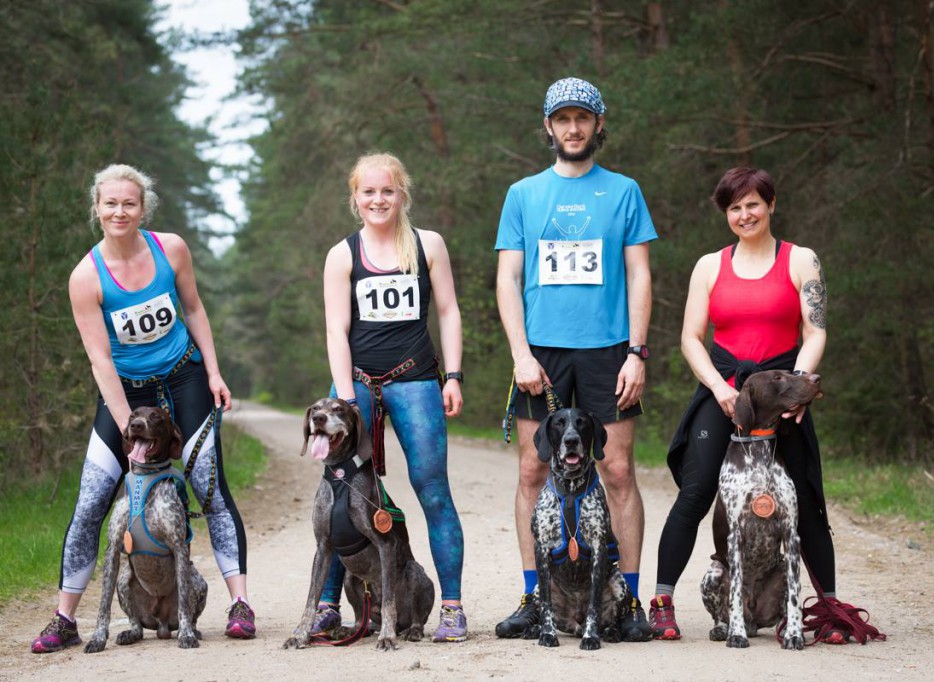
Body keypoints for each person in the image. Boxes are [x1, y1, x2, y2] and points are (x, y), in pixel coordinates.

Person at [32, 164, 254, 653]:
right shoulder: (85, 276)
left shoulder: (170, 248)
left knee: (210, 488)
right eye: (109, 203)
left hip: (183, 377)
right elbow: (99, 358)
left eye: (128, 203)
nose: (119, 211)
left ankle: (240, 605)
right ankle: (65, 617)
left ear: (142, 208)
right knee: (91, 501)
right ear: (97, 208)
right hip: (125, 394)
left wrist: (214, 372)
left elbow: (193, 309)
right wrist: (127, 430)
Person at [649, 166, 865, 643]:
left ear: (770, 204)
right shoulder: (709, 266)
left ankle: (828, 610)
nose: (744, 215)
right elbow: (689, 338)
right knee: (697, 490)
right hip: (723, 388)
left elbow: (816, 330)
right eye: (734, 208)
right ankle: (661, 602)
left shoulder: (801, 259)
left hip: (780, 391)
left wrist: (803, 384)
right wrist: (720, 389)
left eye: (752, 204)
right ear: (726, 214)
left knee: (805, 497)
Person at [494, 77, 658, 641]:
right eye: (562, 119)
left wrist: (637, 353)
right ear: (548, 126)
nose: (572, 128)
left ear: (598, 124)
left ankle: (630, 600)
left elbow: (638, 273)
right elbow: (508, 278)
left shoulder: (624, 191)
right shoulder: (523, 194)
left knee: (615, 470)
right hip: (541, 351)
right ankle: (533, 596)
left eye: (582, 118)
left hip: (608, 350)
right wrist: (519, 352)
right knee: (532, 470)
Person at [315, 152, 468, 643]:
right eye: (368, 192)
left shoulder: (428, 245)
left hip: (416, 380)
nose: (378, 200)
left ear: (402, 194)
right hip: (356, 383)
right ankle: (325, 606)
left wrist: (454, 376)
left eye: (387, 191)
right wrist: (343, 400)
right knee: (344, 492)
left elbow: (447, 311)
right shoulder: (342, 254)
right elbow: (336, 331)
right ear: (355, 198)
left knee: (432, 489)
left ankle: (451, 608)